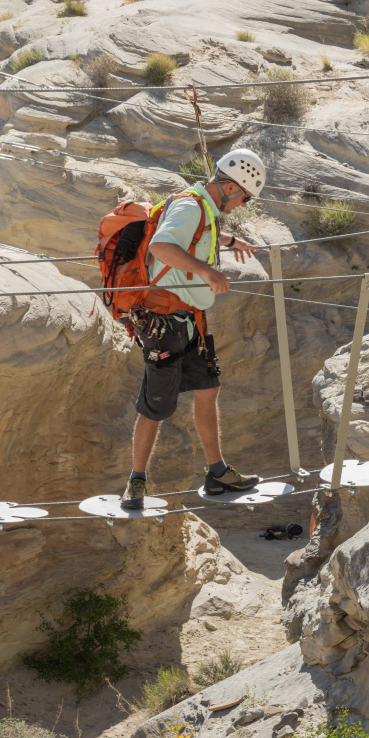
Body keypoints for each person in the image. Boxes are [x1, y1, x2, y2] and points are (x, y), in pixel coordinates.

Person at [121, 149, 268, 511]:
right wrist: (208, 272)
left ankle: (217, 472)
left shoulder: (206, 207)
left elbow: (195, 240)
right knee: (155, 406)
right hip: (166, 321)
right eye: (245, 197)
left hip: (191, 320)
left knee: (208, 389)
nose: (244, 204)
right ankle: (136, 482)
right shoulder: (191, 205)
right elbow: (162, 246)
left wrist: (231, 243)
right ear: (231, 185)